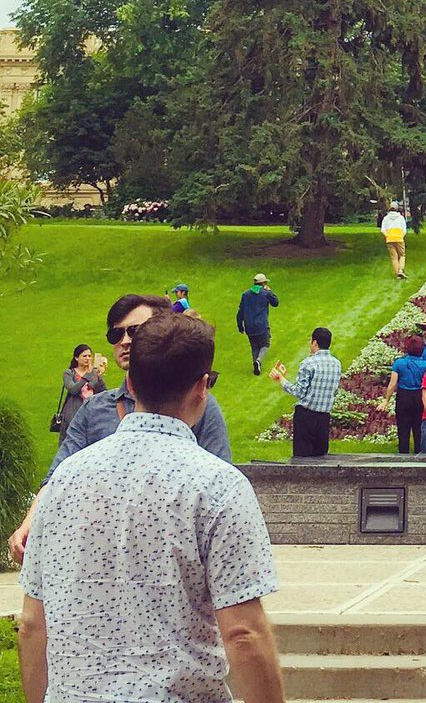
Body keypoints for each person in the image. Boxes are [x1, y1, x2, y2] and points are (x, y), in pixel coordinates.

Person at [16, 313, 284, 703]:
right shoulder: (217, 486)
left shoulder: (63, 482)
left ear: (130, 383)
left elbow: (31, 625)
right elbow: (243, 633)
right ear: (201, 387)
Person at [8, 293, 231, 566]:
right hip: (104, 556)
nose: (124, 341)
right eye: (116, 335)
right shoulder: (94, 409)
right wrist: (29, 523)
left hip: (172, 558)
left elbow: (220, 490)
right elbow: (58, 477)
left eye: (134, 331)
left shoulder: (197, 404)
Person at [269, 327, 342, 458]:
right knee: (320, 458)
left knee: (302, 459)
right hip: (324, 416)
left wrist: (281, 380)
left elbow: (300, 392)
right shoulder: (336, 364)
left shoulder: (308, 363)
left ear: (314, 343)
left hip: (306, 416)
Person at [377, 334, 426, 453]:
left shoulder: (399, 363)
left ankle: (403, 455)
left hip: (403, 398)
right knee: (418, 429)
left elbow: (393, 384)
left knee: (403, 430)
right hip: (419, 398)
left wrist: (386, 400)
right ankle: (419, 453)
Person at [57, 345, 107, 444]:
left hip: (91, 413)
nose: (88, 358)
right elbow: (73, 389)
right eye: (84, 356)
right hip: (74, 413)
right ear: (76, 358)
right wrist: (86, 376)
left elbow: (103, 391)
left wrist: (98, 376)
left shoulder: (93, 373)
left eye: (89, 356)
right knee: (72, 442)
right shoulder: (69, 373)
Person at [236, 272, 279, 375]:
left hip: (249, 325)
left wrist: (240, 325)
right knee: (265, 344)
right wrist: (270, 291)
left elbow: (240, 311)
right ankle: (258, 360)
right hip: (261, 325)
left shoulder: (245, 294)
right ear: (263, 283)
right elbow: (276, 303)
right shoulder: (265, 293)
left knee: (254, 346)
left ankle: (256, 367)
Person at [380, 201, 408, 278]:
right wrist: (401, 236)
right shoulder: (401, 218)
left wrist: (387, 236)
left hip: (390, 239)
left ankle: (397, 275)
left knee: (394, 257)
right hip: (399, 238)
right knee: (402, 255)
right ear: (397, 209)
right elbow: (404, 230)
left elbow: (382, 230)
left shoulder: (386, 218)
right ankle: (401, 270)